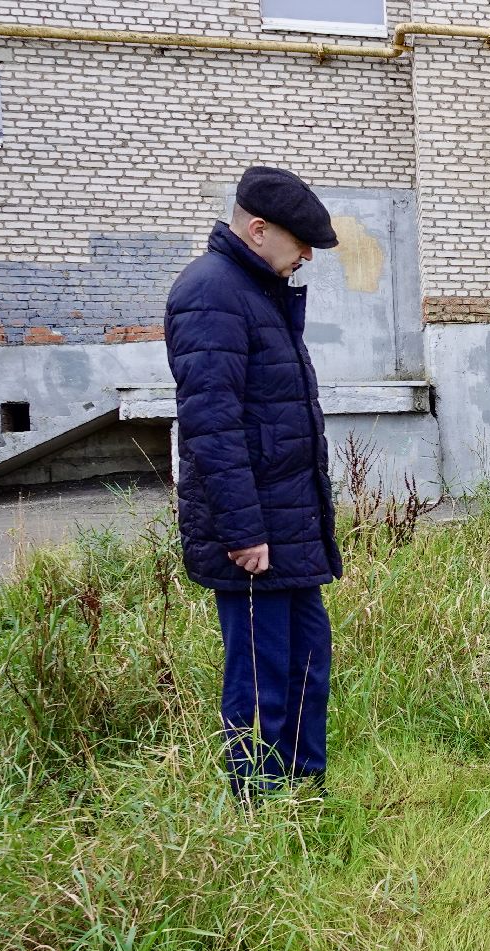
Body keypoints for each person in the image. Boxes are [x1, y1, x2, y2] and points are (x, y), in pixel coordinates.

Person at [166, 166, 342, 797]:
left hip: (289, 523)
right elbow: (212, 428)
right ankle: (259, 808)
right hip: (256, 535)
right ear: (259, 230)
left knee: (306, 665)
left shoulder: (257, 290)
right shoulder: (211, 292)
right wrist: (243, 533)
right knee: (261, 676)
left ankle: (304, 791)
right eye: (300, 247)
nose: (304, 260)